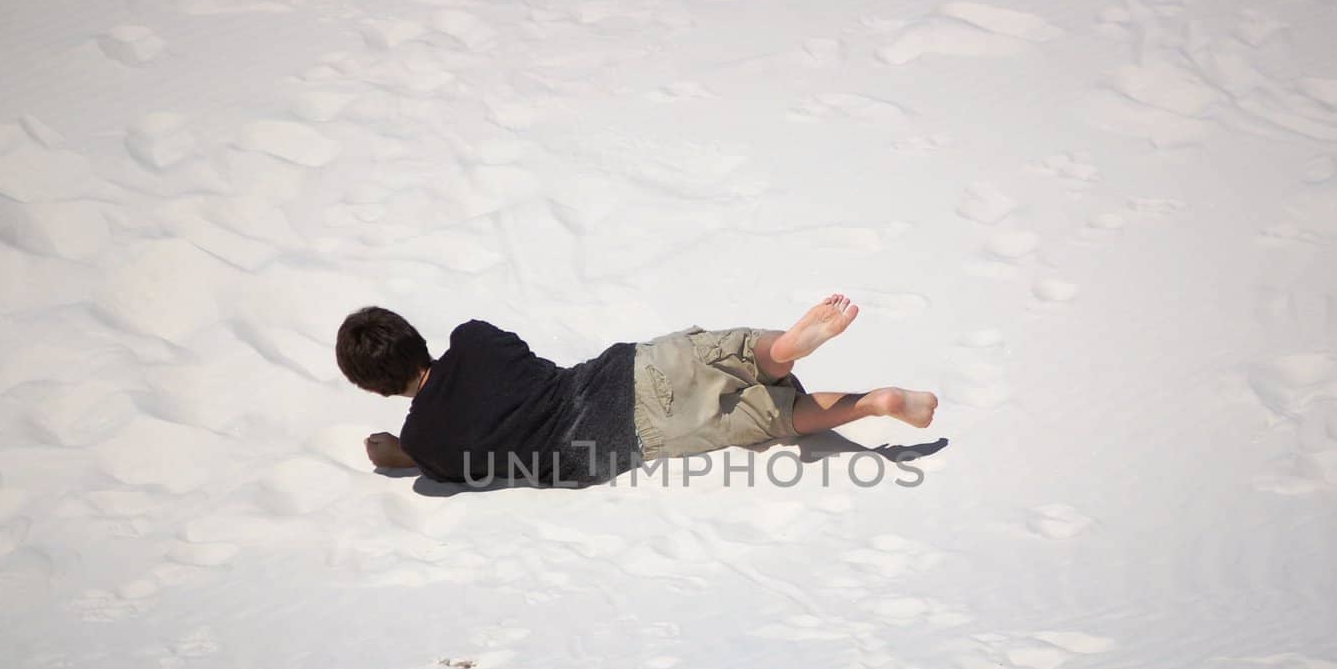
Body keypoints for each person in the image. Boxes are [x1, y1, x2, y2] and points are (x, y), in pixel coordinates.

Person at [335, 295, 938, 487]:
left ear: (375, 389)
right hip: (628, 373)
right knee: (734, 352)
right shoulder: (472, 341)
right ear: (415, 336)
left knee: (769, 419)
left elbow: (412, 456)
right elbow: (524, 364)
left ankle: (868, 405)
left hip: (635, 437)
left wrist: (396, 448)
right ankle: (781, 349)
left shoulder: (429, 443)